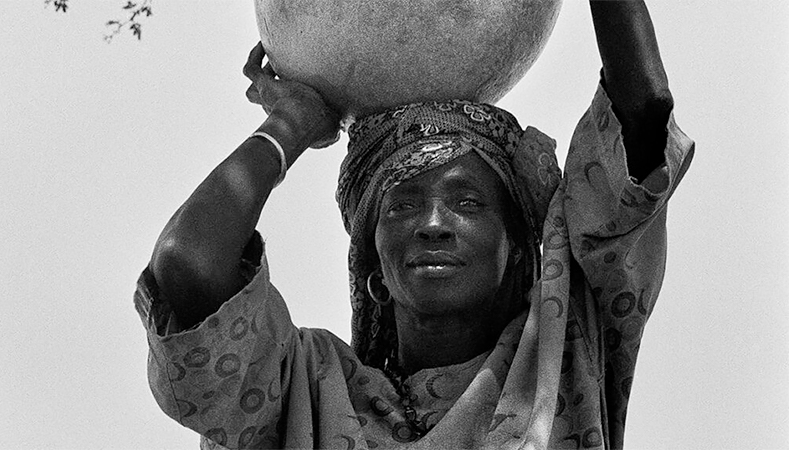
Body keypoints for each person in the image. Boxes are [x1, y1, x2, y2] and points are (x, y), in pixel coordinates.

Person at [134, 1, 694, 448]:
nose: (432, 223)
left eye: (469, 203)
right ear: (373, 264)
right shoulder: (304, 392)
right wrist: (290, 123)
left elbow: (643, 113)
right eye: (401, 205)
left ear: (520, 252)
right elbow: (188, 264)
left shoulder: (566, 350)